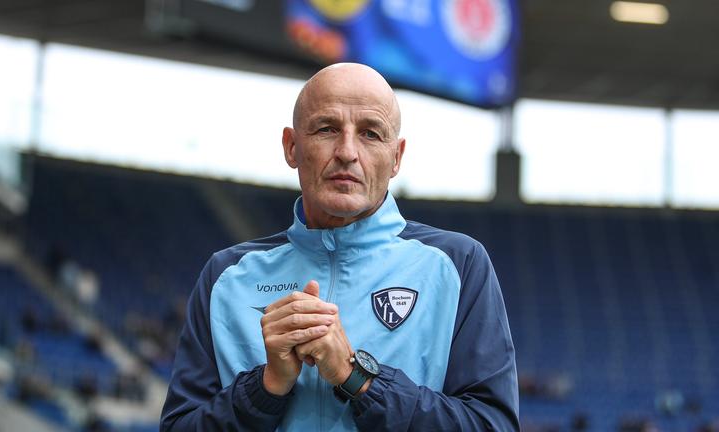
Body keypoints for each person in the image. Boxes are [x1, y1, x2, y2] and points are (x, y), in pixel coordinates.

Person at [160, 63, 519, 431]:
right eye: (327, 129)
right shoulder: (226, 278)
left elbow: (492, 425)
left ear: (396, 157)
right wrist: (265, 388)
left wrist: (357, 377)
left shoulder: (458, 265)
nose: (347, 152)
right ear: (291, 147)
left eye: (370, 134)